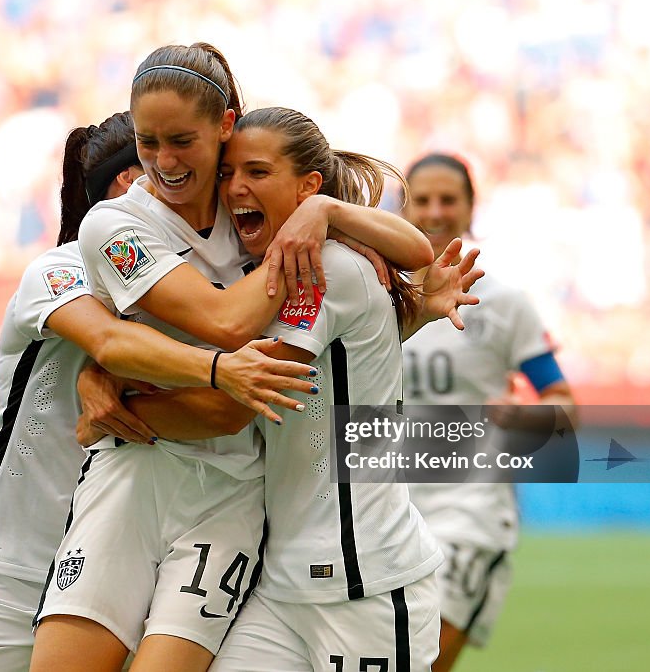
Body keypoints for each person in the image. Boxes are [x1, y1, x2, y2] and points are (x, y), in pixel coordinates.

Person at [31, 44, 436, 672]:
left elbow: (231, 395)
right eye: (148, 143)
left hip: (358, 577)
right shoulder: (135, 225)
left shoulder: (320, 260)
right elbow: (246, 337)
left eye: (254, 172)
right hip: (264, 567)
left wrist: (118, 401)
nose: (165, 164)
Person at [0, 111, 319, 672]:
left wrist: (325, 211)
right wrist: (188, 368)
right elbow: (108, 338)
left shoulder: (210, 281)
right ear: (116, 193)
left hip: (125, 569)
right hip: (7, 573)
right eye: (142, 177)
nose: (164, 190)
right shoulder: (58, 271)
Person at [399, 153, 577, 672]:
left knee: (420, 659)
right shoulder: (375, 292)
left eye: (448, 199)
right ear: (403, 208)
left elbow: (562, 403)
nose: (435, 212)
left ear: (471, 208)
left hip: (469, 507)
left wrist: (526, 421)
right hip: (384, 506)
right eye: (422, 199)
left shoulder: (504, 303)